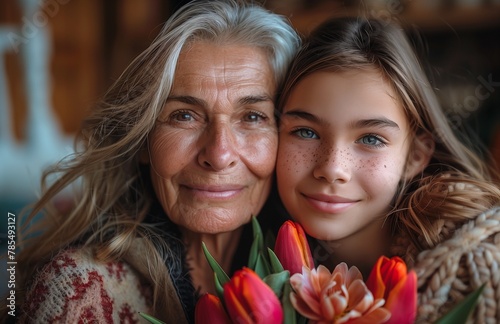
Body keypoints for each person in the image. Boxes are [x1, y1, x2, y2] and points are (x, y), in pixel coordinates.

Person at [5, 0, 300, 323]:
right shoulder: (80, 290)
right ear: (143, 139)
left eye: (253, 117)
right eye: (184, 116)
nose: (219, 155)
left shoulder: (316, 278)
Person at [275, 16, 500, 322]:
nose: (332, 169)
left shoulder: (480, 269)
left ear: (415, 157)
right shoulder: (254, 262)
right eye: (305, 132)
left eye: (370, 139)